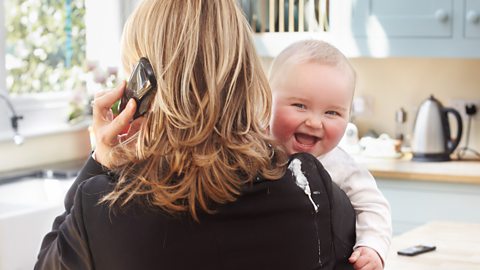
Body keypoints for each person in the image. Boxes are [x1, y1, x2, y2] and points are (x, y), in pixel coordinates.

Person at [34, 1, 356, 269]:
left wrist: (99, 161)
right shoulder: (310, 188)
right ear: (244, 71)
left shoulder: (100, 206)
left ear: (143, 87)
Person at [268, 40, 392, 270]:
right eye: (300, 105)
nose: (314, 122)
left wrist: (371, 248)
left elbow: (373, 207)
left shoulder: (341, 166)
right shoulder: (251, 147)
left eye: (332, 112)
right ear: (266, 102)